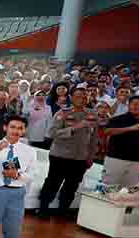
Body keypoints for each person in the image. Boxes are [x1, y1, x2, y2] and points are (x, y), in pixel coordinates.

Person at [36, 88, 99, 217]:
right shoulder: (62, 113)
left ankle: (63, 210)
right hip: (60, 155)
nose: (82, 99)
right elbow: (53, 133)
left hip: (80, 157)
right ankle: (43, 208)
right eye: (78, 96)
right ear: (71, 97)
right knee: (53, 182)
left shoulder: (92, 115)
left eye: (85, 96)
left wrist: (91, 156)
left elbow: (94, 138)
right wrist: (76, 127)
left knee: (72, 185)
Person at [102, 97, 139, 188]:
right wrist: (130, 128)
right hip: (116, 159)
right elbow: (107, 132)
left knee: (129, 189)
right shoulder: (118, 119)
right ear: (129, 105)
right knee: (108, 187)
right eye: (135, 104)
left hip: (137, 161)